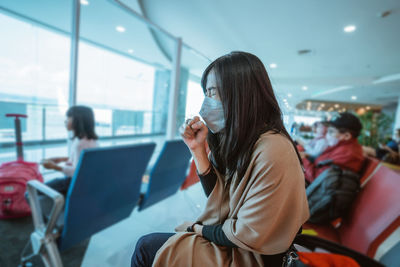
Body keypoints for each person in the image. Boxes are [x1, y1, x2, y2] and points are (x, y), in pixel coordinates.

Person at [131, 52, 309, 267]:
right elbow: (219, 198)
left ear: (242, 93)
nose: (207, 103)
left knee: (147, 247)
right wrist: (197, 150)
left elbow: (247, 234)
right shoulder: (247, 142)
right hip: (242, 247)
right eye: (206, 93)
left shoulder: (273, 148)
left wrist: (198, 228)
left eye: (212, 92)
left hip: (255, 257)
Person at [41, 105, 99, 195]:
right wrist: (62, 159)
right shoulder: (91, 140)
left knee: (30, 193)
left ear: (77, 121)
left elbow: (78, 172)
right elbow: (84, 162)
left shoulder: (80, 144)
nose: (65, 121)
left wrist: (54, 167)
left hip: (73, 184)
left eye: (68, 118)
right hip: (86, 184)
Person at [302, 112, 364, 183]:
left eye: (331, 132)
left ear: (347, 136)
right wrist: (307, 157)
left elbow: (318, 179)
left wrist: (303, 160)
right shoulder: (340, 147)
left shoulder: (347, 153)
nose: (327, 135)